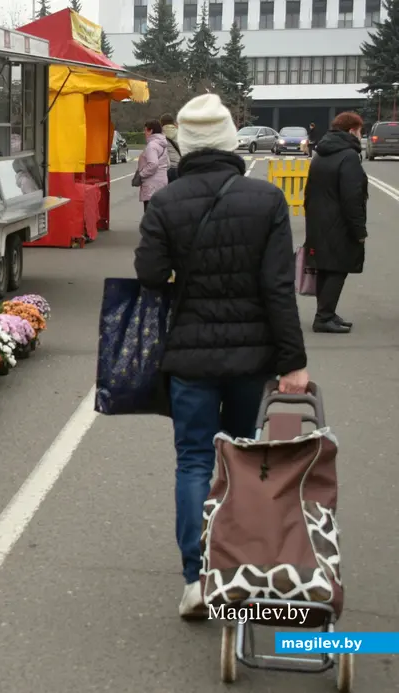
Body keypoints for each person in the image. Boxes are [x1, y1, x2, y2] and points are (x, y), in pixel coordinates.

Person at [133, 94, 309, 620]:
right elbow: (279, 288)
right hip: (251, 358)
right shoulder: (266, 199)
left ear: (184, 143)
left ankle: (196, 579)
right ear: (232, 139)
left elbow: (148, 274)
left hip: (189, 354)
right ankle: (241, 571)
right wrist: (291, 362)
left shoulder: (166, 201)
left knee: (193, 461)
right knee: (243, 458)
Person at [303, 111, 368, 334]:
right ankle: (323, 318)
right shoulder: (348, 156)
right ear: (351, 130)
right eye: (360, 131)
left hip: (319, 220)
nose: (361, 135)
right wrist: (359, 230)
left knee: (324, 268)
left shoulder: (321, 152)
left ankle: (327, 313)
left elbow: (309, 190)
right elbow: (352, 197)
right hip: (339, 223)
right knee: (338, 269)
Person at [136, 119, 170, 212]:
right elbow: (168, 162)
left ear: (150, 131)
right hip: (162, 182)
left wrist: (141, 174)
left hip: (151, 184)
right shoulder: (162, 144)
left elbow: (153, 164)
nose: (144, 132)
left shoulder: (152, 145)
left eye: (145, 130)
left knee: (149, 213)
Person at [160, 113, 182, 181]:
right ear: (173, 122)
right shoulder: (180, 133)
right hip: (179, 166)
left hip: (166, 168)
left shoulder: (160, 134)